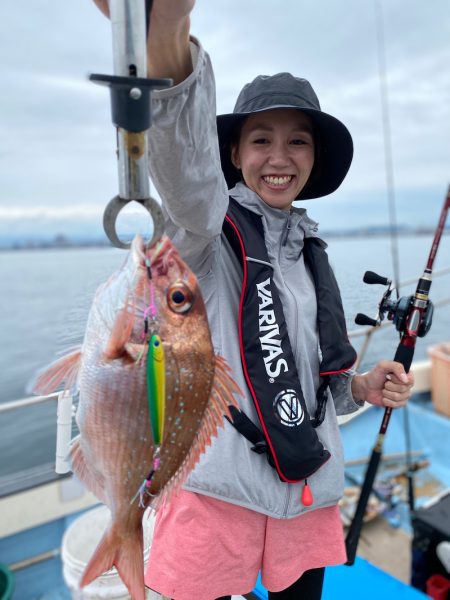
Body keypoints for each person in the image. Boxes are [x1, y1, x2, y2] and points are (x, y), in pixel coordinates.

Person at [94, 2, 415, 599]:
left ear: (314, 159)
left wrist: (365, 385)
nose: (279, 157)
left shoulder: (312, 252)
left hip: (307, 491)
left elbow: (324, 385)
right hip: (217, 496)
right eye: (260, 139)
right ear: (235, 154)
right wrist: (169, 41)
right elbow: (188, 185)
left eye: (298, 141)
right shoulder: (207, 234)